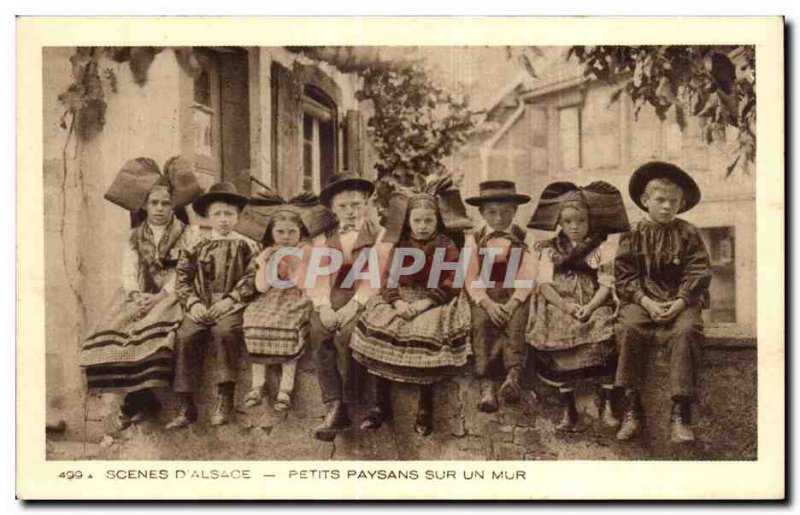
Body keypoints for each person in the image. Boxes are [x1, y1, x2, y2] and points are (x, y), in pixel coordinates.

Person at [80, 156, 201, 430]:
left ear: (174, 206)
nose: (159, 209)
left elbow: (187, 270)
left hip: (174, 293)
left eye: (165, 203)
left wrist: (160, 296)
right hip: (141, 293)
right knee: (114, 330)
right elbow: (128, 269)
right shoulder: (135, 235)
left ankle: (138, 403)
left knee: (155, 332)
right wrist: (135, 295)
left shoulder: (187, 233)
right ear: (145, 205)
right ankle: (140, 398)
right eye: (154, 203)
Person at [350, 179, 473, 436]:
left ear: (437, 221)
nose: (422, 226)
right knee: (383, 326)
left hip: (433, 299)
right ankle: (380, 405)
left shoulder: (445, 245)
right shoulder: (402, 244)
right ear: (408, 222)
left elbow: (452, 281)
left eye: (428, 221)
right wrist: (397, 301)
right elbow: (388, 278)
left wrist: (423, 304)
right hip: (402, 296)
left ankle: (425, 406)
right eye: (417, 221)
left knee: (426, 333)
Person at [614, 162, 712, 443]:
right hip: (642, 298)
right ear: (645, 201)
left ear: (681, 204)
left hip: (681, 299)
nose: (667, 207)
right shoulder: (631, 234)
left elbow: (699, 271)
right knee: (629, 328)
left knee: (686, 332)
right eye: (660, 200)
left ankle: (680, 413)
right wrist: (646, 302)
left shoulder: (689, 233)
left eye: (674, 202)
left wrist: (681, 302)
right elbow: (624, 275)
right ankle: (632, 408)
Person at [526, 181, 630, 432]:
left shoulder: (600, 248)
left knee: (603, 333)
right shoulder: (549, 249)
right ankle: (568, 407)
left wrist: (591, 306)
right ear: (560, 223)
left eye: (581, 221)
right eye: (569, 221)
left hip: (593, 300)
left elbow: (606, 282)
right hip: (561, 304)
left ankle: (607, 405)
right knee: (557, 333)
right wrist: (566, 306)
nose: (575, 227)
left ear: (589, 221)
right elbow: (544, 285)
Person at [167, 181, 260, 429]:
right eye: (217, 213)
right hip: (201, 304)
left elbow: (253, 278)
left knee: (225, 332)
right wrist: (194, 303)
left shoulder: (247, 245)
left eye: (229, 214)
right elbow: (183, 279)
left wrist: (232, 299)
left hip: (231, 306)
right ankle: (186, 403)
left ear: (238, 216)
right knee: (185, 335)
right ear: (208, 216)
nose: (223, 219)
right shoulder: (196, 244)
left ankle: (225, 397)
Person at [239, 191, 333, 412]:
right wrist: (263, 264)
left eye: (292, 232)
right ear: (271, 233)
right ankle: (257, 385)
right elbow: (262, 287)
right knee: (254, 318)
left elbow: (305, 283)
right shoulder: (268, 253)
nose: (285, 236)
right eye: (280, 232)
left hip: (297, 296)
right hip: (270, 297)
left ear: (300, 233)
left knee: (289, 324)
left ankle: (285, 389)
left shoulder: (306, 251)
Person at [306, 173, 382, 442]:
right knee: (318, 331)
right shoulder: (323, 239)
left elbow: (376, 277)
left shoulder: (378, 235)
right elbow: (317, 277)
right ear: (332, 210)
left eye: (356, 205)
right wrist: (324, 307)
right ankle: (333, 403)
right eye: (343, 207)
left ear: (366, 204)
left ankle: (351, 401)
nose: (350, 212)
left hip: (367, 296)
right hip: (333, 294)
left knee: (348, 335)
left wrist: (353, 307)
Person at [464, 180, 535, 413]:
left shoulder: (524, 237)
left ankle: (513, 376)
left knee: (518, 323)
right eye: (492, 212)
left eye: (506, 212)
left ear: (515, 211)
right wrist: (487, 303)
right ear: (482, 212)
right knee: (481, 323)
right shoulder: (474, 239)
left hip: (516, 293)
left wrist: (515, 302)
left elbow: (528, 273)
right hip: (486, 294)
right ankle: (487, 385)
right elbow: (471, 276)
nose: (499, 218)